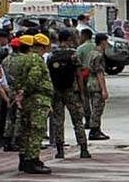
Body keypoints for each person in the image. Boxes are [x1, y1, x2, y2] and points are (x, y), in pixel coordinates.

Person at [47, 29, 90, 159]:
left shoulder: (51, 55)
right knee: (77, 120)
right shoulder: (73, 55)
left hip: (57, 91)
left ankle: (60, 150)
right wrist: (82, 93)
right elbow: (78, 75)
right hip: (71, 91)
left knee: (58, 121)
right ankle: (83, 148)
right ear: (69, 40)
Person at [16, 33, 54, 174]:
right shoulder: (36, 59)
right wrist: (25, 91)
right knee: (36, 130)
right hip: (37, 99)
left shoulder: (23, 58)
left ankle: (24, 159)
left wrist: (21, 93)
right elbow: (34, 78)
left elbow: (18, 79)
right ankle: (33, 160)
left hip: (28, 100)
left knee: (26, 130)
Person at [86, 33, 111, 141]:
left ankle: (95, 128)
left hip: (89, 82)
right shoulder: (98, 55)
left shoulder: (91, 53)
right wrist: (104, 89)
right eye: (106, 41)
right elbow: (99, 73)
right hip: (96, 83)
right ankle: (94, 130)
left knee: (93, 106)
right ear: (102, 42)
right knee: (97, 108)